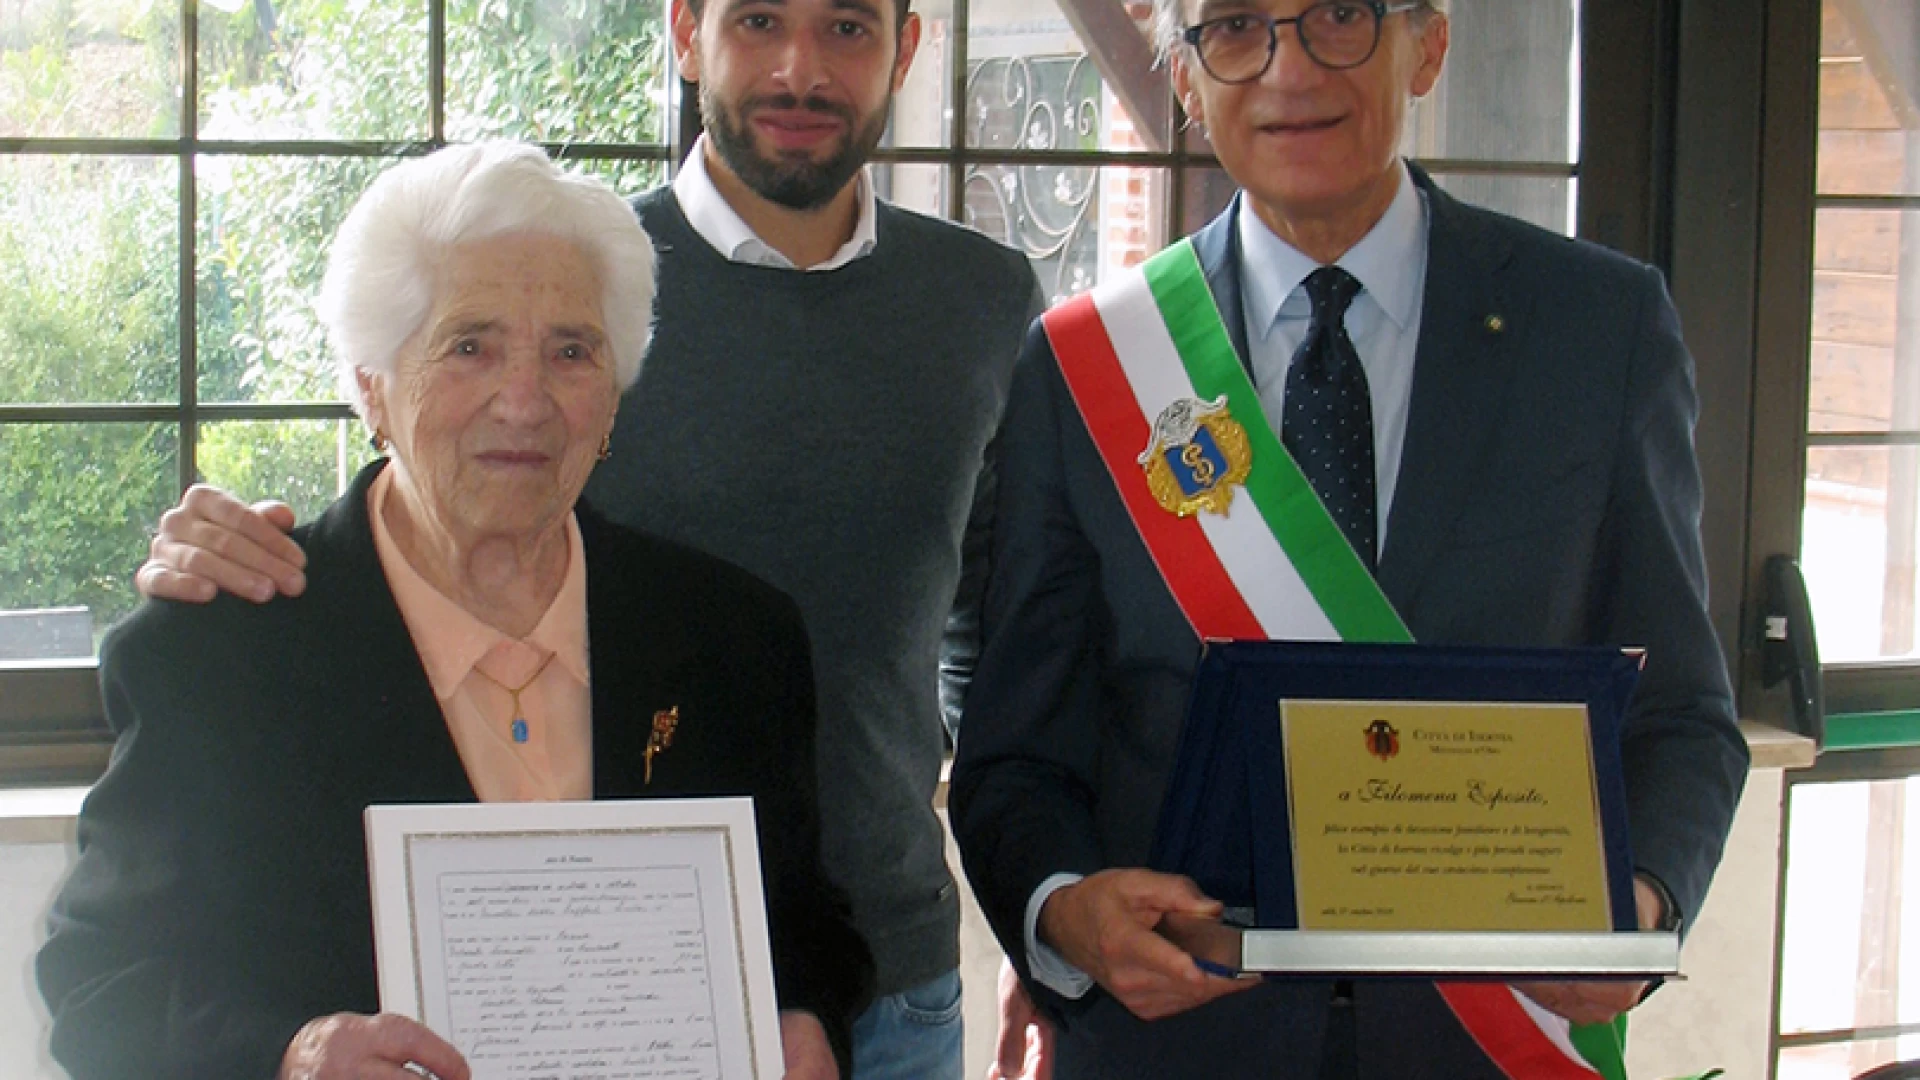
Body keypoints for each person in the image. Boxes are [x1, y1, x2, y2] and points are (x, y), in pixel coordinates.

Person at [129, 2, 1044, 1076]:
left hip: (865, 975)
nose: (525, 399)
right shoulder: (573, 260)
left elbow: (1005, 637)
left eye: (847, 24)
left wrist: (1019, 918)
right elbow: (419, 510)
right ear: (688, 32)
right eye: (758, 19)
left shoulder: (980, 303)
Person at [950, 1, 1751, 1078]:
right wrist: (1062, 911)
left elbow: (1685, 714)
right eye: (1235, 27)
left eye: (1338, 16)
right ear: (1186, 83)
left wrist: (1642, 904)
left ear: (1429, 45)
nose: (1288, 70)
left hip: (1489, 1044)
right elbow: (1016, 760)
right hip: (1176, 1048)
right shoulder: (1089, 367)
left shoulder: (1601, 330)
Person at [38, 143, 870, 1080]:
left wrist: (803, 1021)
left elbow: (804, 923)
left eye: (571, 350)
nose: (525, 402)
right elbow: (100, 984)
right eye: (468, 346)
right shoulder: (220, 654)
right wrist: (291, 1058)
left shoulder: (734, 639)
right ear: (371, 384)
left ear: (612, 395)